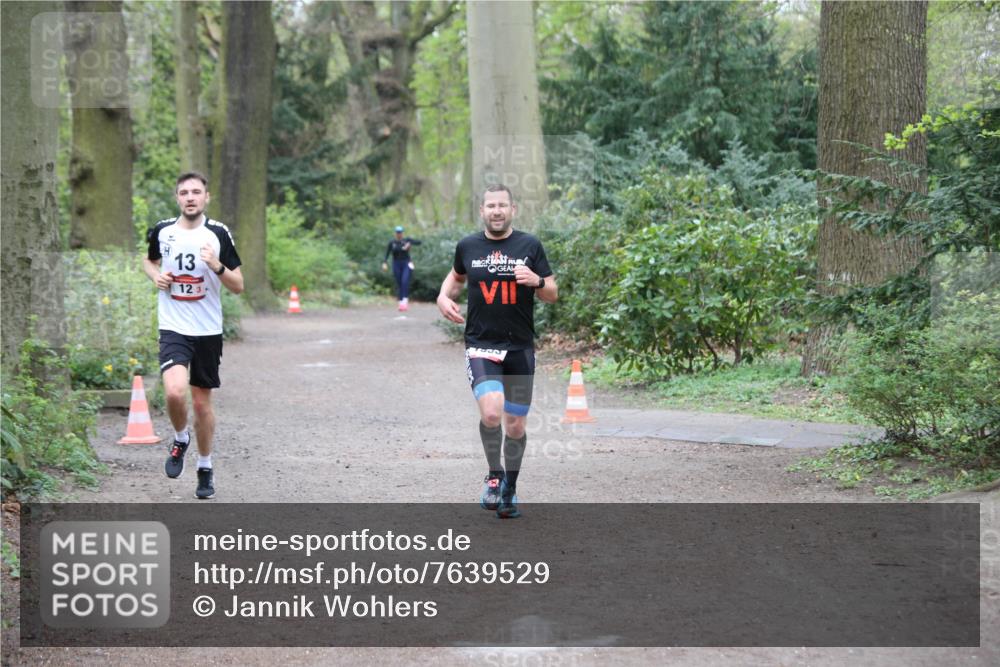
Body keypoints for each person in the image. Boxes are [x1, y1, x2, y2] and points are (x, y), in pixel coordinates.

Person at [436, 185, 557, 518]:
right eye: (491, 205)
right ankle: (494, 475)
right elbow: (456, 277)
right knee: (491, 413)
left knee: (515, 425)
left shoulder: (530, 245)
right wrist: (443, 296)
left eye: (503, 205)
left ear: (513, 209)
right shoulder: (468, 246)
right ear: (482, 211)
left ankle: (510, 489)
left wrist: (537, 281)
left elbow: (552, 293)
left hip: (519, 347)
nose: (497, 211)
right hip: (481, 345)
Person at [142, 171, 244, 500]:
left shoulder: (218, 233)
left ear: (206, 197)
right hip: (174, 326)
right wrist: (156, 276)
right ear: (177, 198)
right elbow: (148, 261)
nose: (190, 197)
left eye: (196, 192)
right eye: (184, 192)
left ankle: (204, 466)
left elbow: (238, 285)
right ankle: (180, 437)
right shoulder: (163, 230)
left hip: (207, 330)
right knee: (174, 392)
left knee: (201, 404)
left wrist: (216, 265)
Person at [382, 226, 422, 311]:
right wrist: (384, 262)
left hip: (406, 263)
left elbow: (419, 242)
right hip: (396, 263)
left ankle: (405, 301)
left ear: (402, 233)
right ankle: (400, 303)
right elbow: (387, 253)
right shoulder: (392, 243)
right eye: (397, 232)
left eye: (400, 232)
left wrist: (410, 243)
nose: (399, 234)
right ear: (395, 233)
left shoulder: (406, 240)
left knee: (405, 281)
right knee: (399, 282)